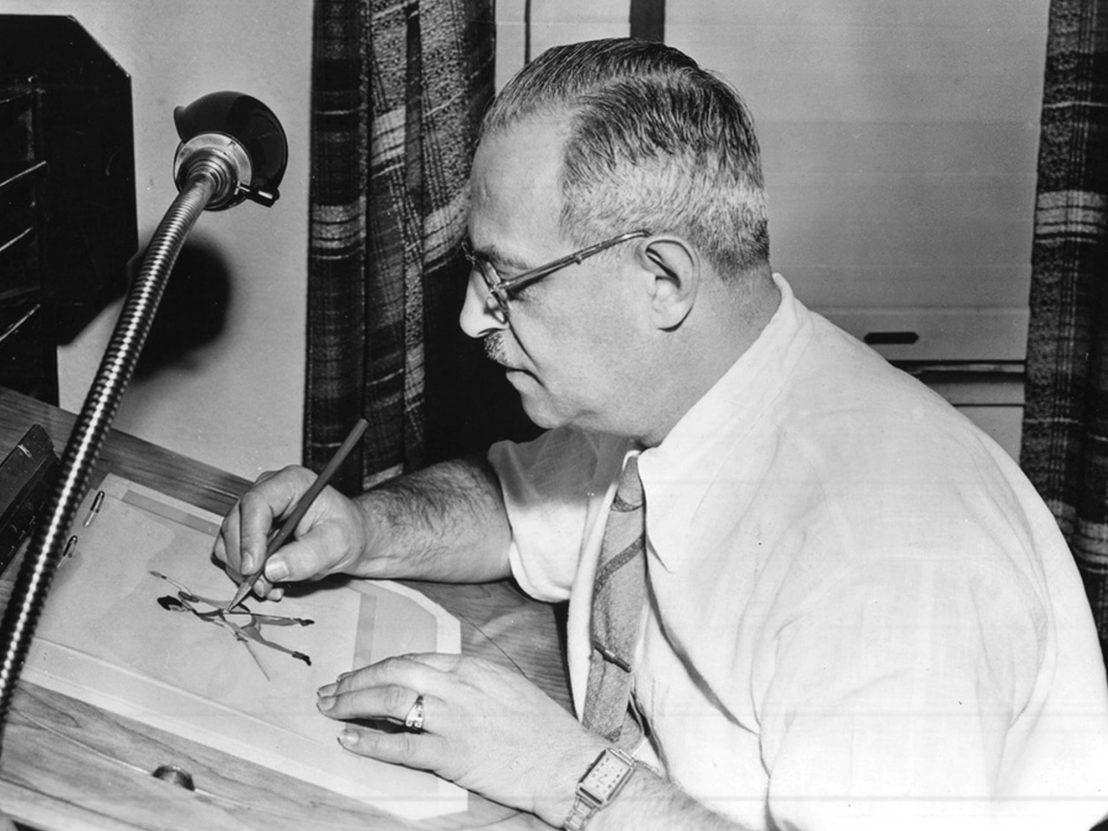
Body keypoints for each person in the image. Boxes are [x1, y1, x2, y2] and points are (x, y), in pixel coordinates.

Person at [214, 38, 1108, 831]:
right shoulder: (674, 389)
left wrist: (566, 772)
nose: (468, 318)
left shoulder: (889, 562)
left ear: (662, 280)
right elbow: (515, 504)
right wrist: (364, 526)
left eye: (504, 277)